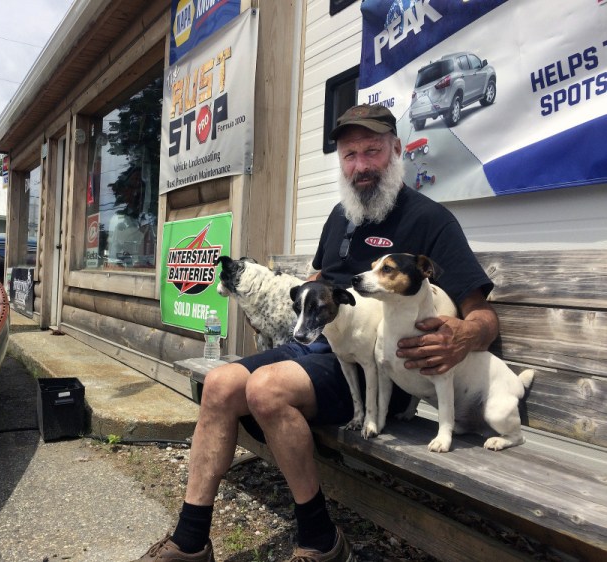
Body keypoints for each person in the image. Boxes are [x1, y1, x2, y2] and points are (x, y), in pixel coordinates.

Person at [133, 104, 498, 562]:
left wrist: (461, 337)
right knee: (222, 385)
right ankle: (189, 543)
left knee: (266, 390)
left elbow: (482, 316)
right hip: (319, 348)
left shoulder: (430, 220)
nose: (361, 166)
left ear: (396, 151)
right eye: (349, 155)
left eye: (372, 151)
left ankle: (321, 540)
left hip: (382, 374)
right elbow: (313, 283)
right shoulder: (340, 217)